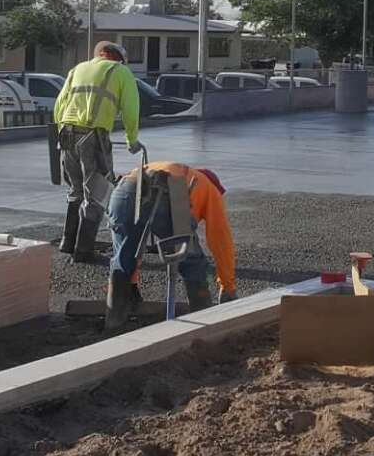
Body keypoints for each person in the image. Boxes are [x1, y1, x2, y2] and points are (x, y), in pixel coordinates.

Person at [104, 161, 236, 331]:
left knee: (123, 260)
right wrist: (228, 287)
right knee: (193, 263)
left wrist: (132, 282)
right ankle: (203, 320)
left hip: (123, 189)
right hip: (170, 190)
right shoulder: (209, 188)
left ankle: (114, 323)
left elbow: (135, 247)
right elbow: (221, 239)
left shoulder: (181, 171)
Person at [52, 40, 142, 263]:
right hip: (93, 136)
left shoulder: (77, 69)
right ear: (118, 58)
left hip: (66, 133)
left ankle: (68, 243)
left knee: (76, 191)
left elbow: (59, 105)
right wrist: (132, 139)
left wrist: (61, 132)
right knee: (97, 194)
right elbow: (131, 108)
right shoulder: (120, 71)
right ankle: (84, 251)